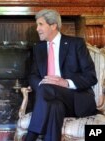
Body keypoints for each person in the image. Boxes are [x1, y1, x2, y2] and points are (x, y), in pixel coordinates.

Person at [25, 9, 97, 141]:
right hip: (50, 99)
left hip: (76, 99)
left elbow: (91, 76)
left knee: (47, 89)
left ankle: (31, 136)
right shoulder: (38, 48)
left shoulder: (76, 44)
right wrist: (42, 84)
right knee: (54, 106)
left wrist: (65, 82)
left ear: (53, 25)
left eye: (40, 24)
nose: (37, 29)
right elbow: (33, 76)